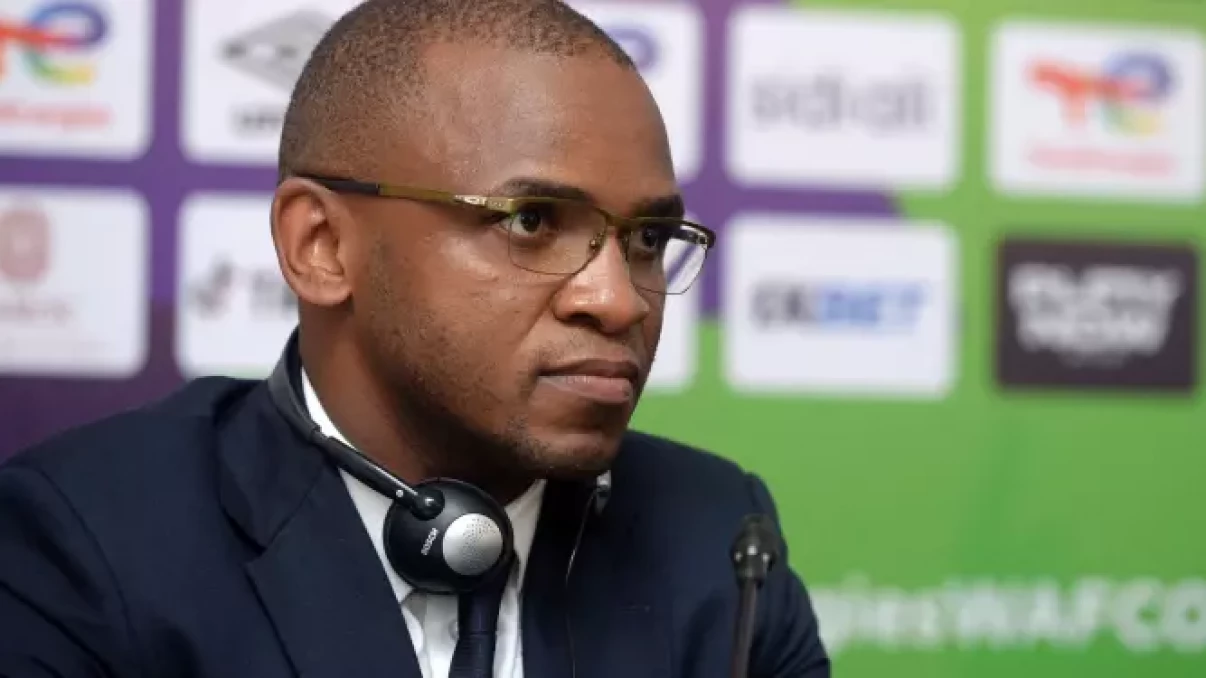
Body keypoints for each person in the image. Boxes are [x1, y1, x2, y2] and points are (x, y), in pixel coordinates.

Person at [0, 1, 831, 676]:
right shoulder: (84, 546)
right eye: (531, 221)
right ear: (322, 246)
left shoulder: (722, 546)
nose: (618, 301)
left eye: (646, 239)